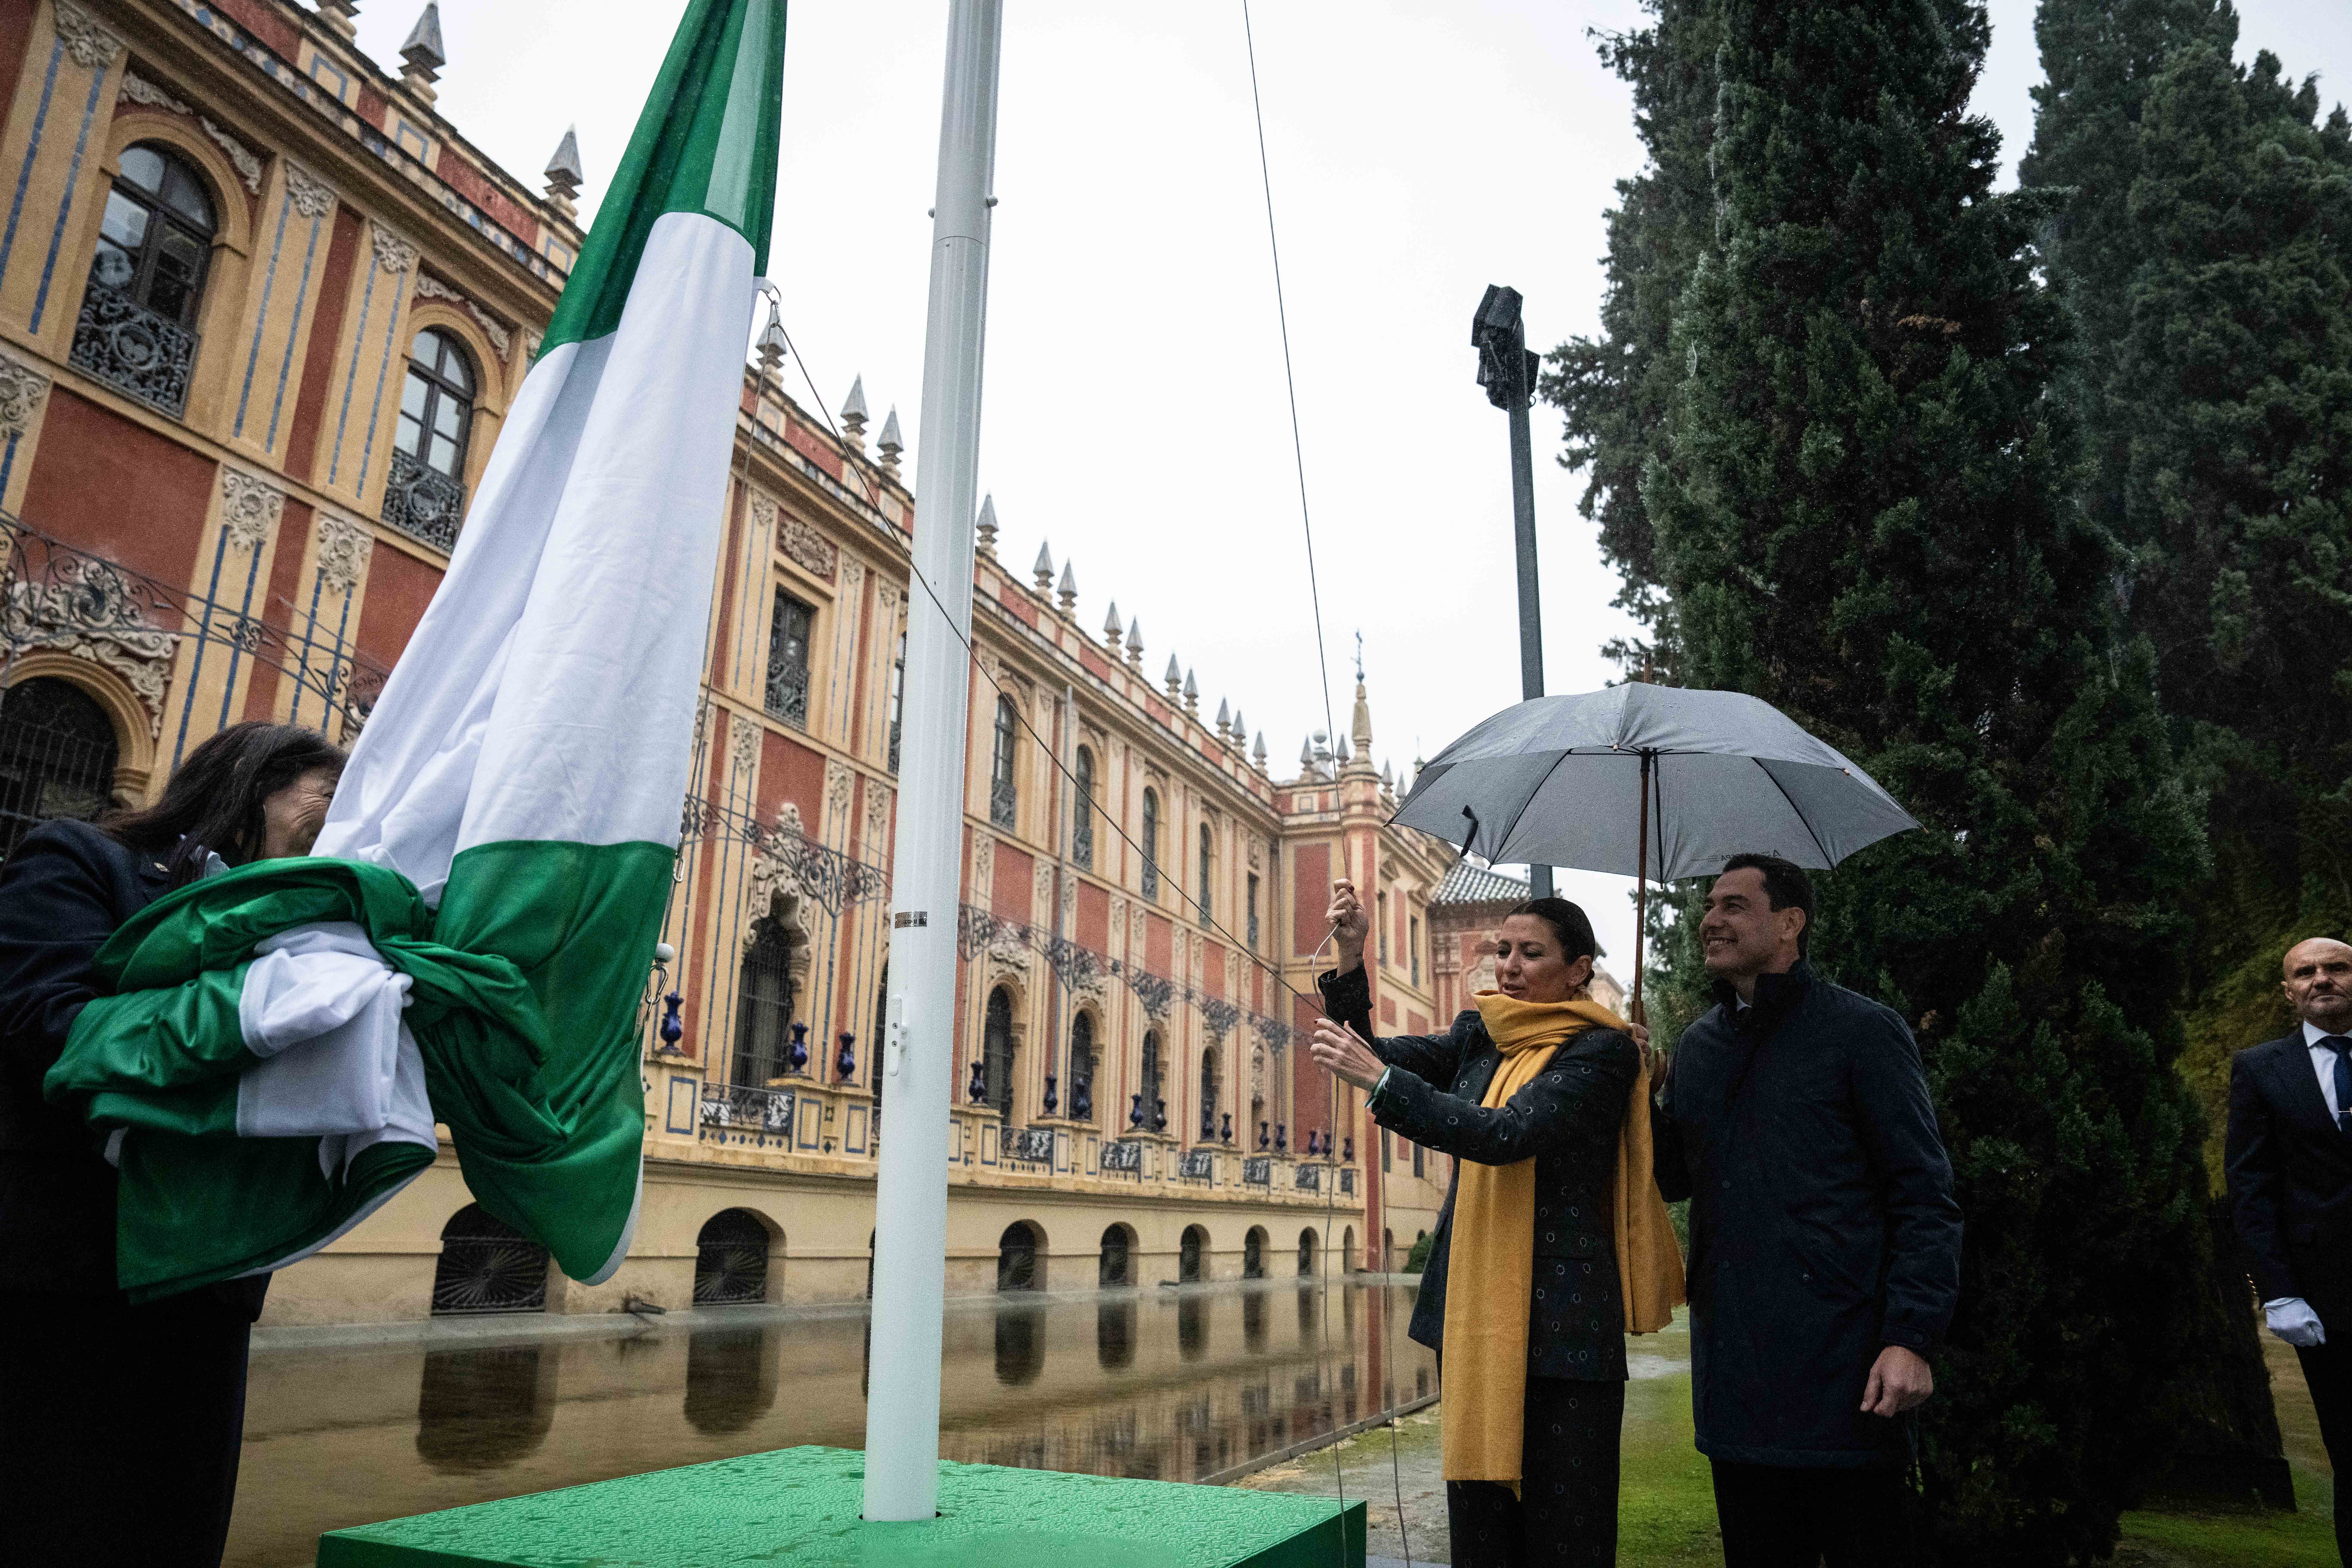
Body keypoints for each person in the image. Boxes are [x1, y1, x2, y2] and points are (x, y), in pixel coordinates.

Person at [0, 721, 345, 1568]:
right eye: (327, 802)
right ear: (252, 786)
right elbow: (45, 1022)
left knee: (170, 1534)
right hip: (63, 1275)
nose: (339, 835)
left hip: (207, 1292)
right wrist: (251, 1013)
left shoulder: (317, 938)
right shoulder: (81, 859)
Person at [1309, 880, 1677, 1567]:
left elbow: (1509, 1133)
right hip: (1474, 1311)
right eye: (1503, 949)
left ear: (1577, 971)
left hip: (1564, 1328)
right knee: (1480, 1526)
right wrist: (1353, 954)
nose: (1508, 965)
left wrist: (1385, 1086)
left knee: (1566, 1527)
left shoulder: (1603, 1054)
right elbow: (1367, 1048)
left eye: (1530, 953)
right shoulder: (1480, 1035)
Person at [1651, 853, 1962, 1567]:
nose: (1711, 920)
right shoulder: (1699, 1048)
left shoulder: (1862, 1032)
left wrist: (1910, 1337)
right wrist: (1641, 1099)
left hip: (1845, 1371)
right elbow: (1675, 1180)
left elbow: (1924, 1197)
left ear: (1789, 924)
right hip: (1734, 1375)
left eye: (1734, 905)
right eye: (1709, 905)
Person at [2225, 935, 2352, 1565]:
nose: (2322, 979)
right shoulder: (2260, 1069)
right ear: (2288, 991)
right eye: (2307, 972)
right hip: (2329, 1302)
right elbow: (2251, 1187)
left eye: (2337, 967)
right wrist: (2278, 1290)